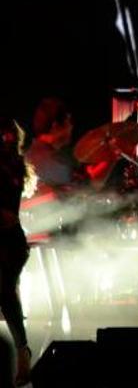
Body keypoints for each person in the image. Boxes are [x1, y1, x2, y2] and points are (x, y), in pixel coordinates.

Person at [0, 117, 37, 386]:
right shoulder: (13, 165)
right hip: (12, 242)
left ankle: (22, 352)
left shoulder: (9, 166)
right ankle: (22, 353)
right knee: (5, 294)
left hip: (9, 242)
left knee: (5, 293)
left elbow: (6, 215)